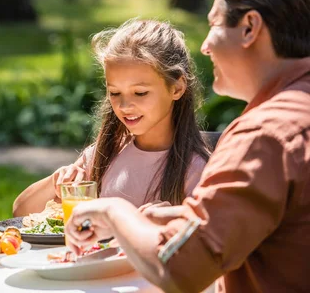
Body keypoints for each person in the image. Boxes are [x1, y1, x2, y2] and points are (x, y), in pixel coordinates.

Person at [65, 0, 310, 293]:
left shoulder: (266, 135)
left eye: (213, 24)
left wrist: (114, 211)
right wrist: (178, 220)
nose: (206, 46)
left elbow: (180, 270)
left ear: (250, 27)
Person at [13, 20, 210, 217]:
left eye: (140, 93)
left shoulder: (197, 169)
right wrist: (56, 182)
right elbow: (20, 211)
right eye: (115, 93)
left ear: (177, 88)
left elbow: (215, 240)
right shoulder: (107, 154)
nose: (124, 106)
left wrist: (176, 219)